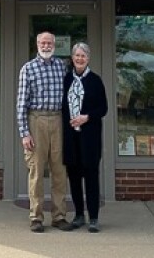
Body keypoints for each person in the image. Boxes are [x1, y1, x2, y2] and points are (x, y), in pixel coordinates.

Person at [17, 31, 73, 233]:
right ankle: (36, 217)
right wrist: (25, 133)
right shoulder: (28, 69)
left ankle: (59, 216)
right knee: (36, 171)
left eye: (50, 43)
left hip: (58, 120)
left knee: (59, 171)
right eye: (43, 42)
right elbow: (21, 104)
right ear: (37, 44)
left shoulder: (61, 66)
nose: (46, 46)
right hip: (36, 120)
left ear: (55, 45)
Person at [61, 42, 108, 233]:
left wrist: (86, 117)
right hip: (71, 138)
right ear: (72, 58)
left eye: (83, 56)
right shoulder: (66, 80)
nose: (80, 59)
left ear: (88, 59)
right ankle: (79, 215)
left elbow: (103, 108)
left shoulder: (95, 81)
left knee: (91, 176)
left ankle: (94, 218)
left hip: (90, 137)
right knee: (73, 176)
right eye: (77, 55)